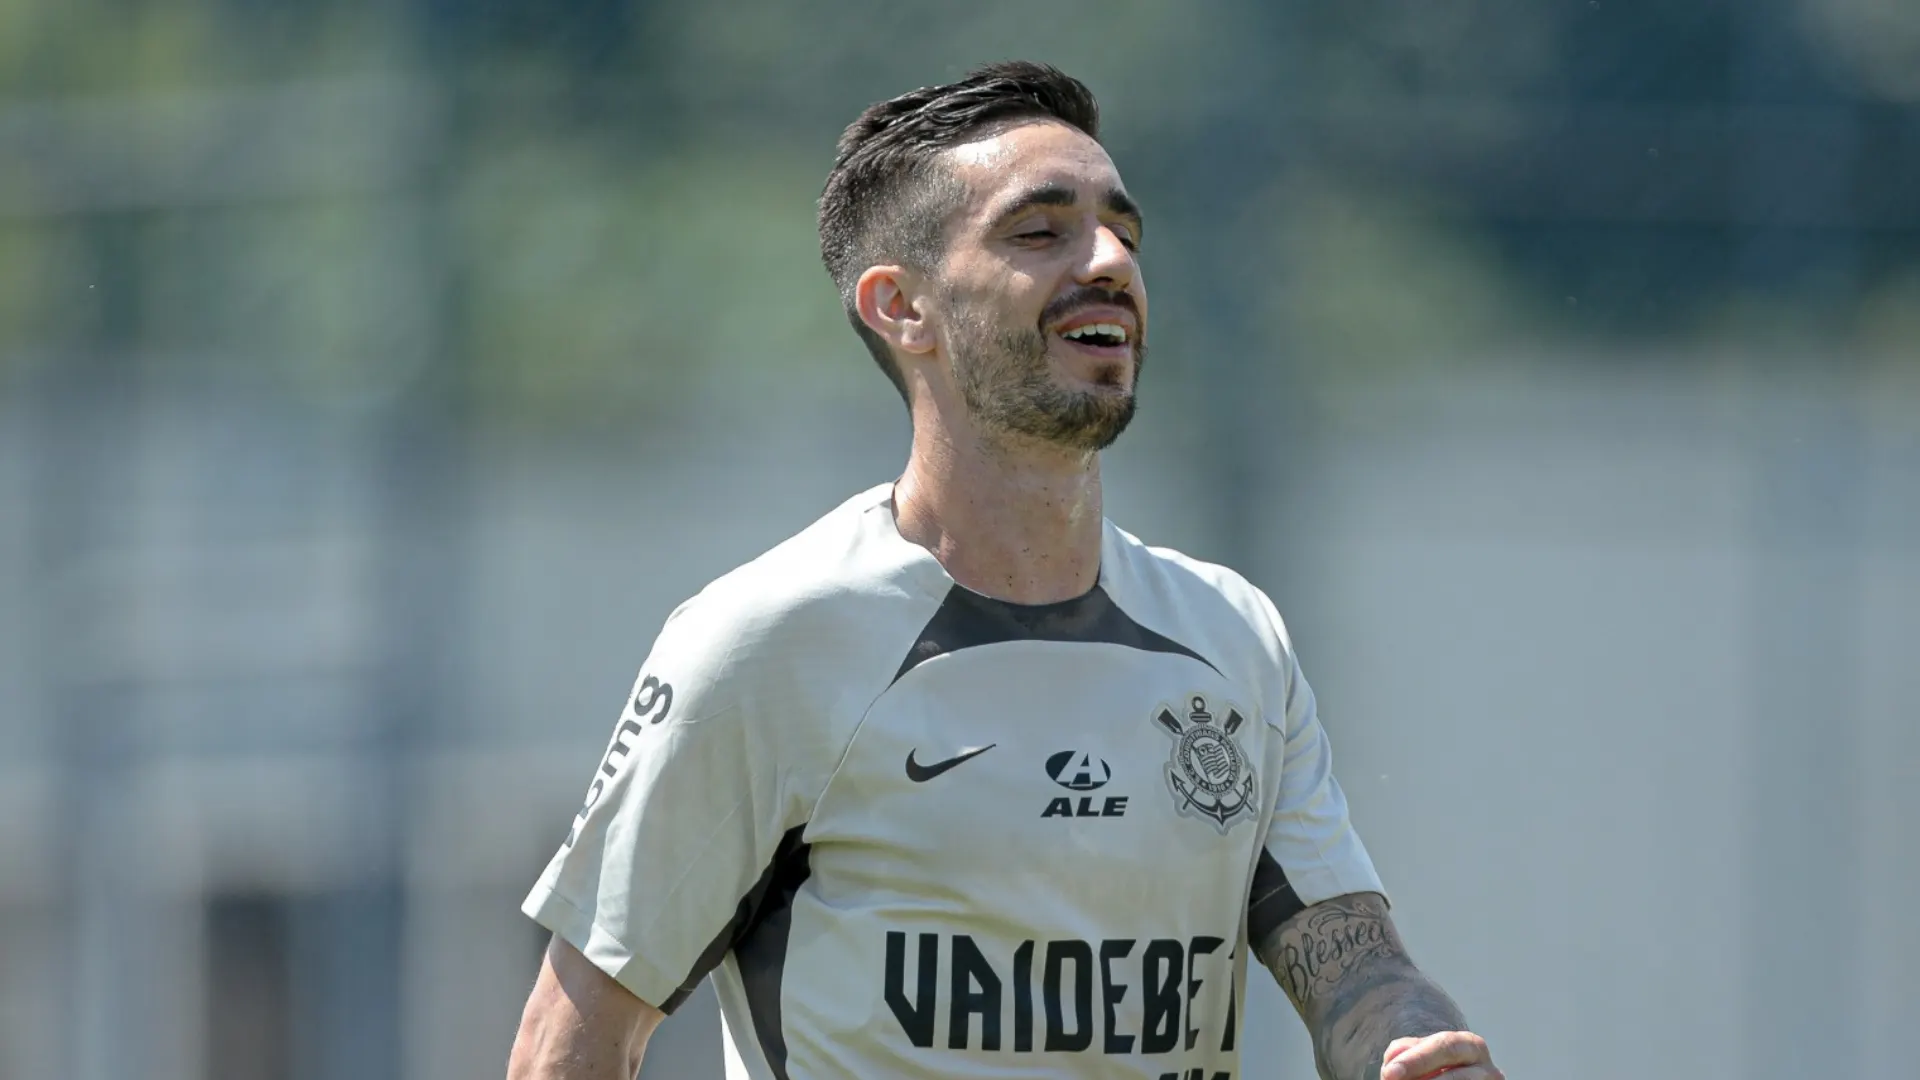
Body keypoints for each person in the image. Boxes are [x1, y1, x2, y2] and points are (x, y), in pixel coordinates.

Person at [505, 61, 1501, 1080]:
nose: (1110, 259)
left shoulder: (1232, 640)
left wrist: (1411, 1046)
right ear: (903, 308)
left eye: (1125, 230)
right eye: (1041, 232)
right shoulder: (771, 640)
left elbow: (1358, 970)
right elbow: (569, 1043)